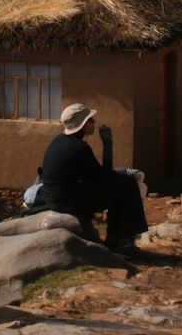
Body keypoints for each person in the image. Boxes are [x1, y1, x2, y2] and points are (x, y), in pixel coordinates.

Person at [36, 103, 148, 253]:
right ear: (82, 125)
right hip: (67, 202)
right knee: (127, 185)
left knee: (120, 184)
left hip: (56, 197)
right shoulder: (79, 148)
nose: (94, 122)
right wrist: (108, 146)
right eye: (90, 120)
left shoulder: (59, 141)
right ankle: (124, 242)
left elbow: (93, 176)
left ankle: (115, 239)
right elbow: (103, 178)